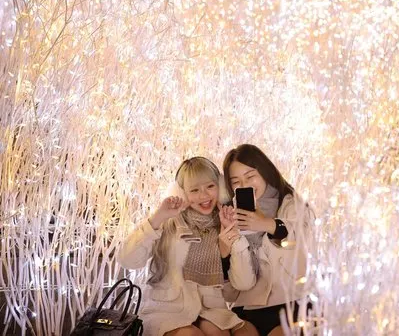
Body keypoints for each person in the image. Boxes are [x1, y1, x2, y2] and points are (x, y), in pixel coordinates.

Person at [117, 157, 258, 336]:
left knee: (246, 331)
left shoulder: (225, 219)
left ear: (220, 187)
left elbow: (244, 284)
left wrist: (234, 238)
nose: (204, 196)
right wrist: (158, 218)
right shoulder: (168, 221)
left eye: (210, 186)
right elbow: (127, 260)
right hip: (168, 310)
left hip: (211, 309)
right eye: (194, 190)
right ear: (182, 193)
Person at [222, 144, 314, 336]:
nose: (244, 184)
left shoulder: (291, 204)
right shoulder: (230, 216)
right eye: (236, 181)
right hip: (248, 306)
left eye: (250, 176)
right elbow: (241, 284)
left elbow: (305, 238)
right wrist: (235, 243)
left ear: (265, 172)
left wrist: (268, 224)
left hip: (293, 301)